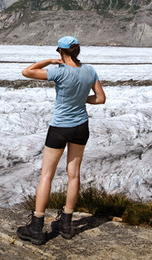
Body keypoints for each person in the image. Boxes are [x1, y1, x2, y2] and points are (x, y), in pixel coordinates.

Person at [16, 35, 106, 245]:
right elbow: (100, 98)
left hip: (59, 128)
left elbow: (26, 71)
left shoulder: (59, 71)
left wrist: (48, 61)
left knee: (46, 175)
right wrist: (82, 98)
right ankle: (66, 223)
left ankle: (37, 227)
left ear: (61, 52)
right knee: (73, 175)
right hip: (81, 127)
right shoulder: (90, 70)